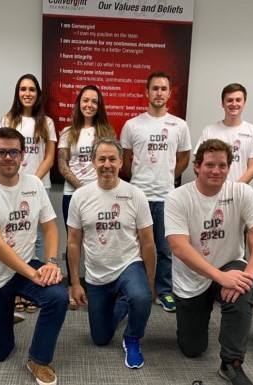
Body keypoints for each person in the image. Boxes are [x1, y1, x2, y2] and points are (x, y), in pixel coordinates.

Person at [165, 139, 253, 385]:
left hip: (229, 264)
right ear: (196, 166)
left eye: (222, 165)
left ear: (229, 167)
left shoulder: (241, 192)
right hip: (192, 276)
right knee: (192, 348)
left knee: (242, 289)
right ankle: (194, 322)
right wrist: (219, 277)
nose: (216, 171)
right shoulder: (177, 197)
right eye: (210, 165)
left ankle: (231, 363)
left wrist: (250, 274)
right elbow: (178, 246)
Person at [0, 128, 68, 385]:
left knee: (57, 296)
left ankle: (38, 359)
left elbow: (50, 226)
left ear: (23, 154)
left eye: (14, 151)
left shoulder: (33, 184)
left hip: (24, 266)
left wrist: (51, 263)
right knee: (0, 353)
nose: (8, 157)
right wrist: (34, 274)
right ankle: (2, 313)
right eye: (1, 152)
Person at [67, 138, 155, 369]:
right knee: (100, 339)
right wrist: (75, 284)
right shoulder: (81, 196)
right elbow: (73, 243)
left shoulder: (135, 194)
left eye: (112, 159)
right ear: (93, 163)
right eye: (102, 159)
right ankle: (123, 302)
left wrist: (150, 282)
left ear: (121, 162)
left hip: (129, 264)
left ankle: (132, 338)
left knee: (141, 297)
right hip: (97, 274)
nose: (107, 164)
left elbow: (147, 242)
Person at [121, 71, 192, 313]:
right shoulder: (132, 125)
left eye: (163, 88)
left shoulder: (179, 125)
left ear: (169, 93)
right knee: (135, 247)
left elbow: (184, 157)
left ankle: (163, 291)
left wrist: (167, 176)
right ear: (147, 92)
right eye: (155, 88)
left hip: (166, 197)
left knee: (164, 248)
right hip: (138, 195)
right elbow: (126, 160)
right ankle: (138, 289)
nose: (159, 92)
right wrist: (141, 179)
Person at [58, 85, 116, 310]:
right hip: (73, 195)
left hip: (102, 195)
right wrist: (83, 189)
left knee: (100, 241)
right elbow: (62, 165)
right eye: (85, 100)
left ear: (99, 105)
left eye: (94, 101)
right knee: (74, 243)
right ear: (78, 104)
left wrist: (94, 190)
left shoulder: (107, 132)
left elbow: (111, 162)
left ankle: (100, 287)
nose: (89, 105)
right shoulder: (67, 132)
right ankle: (73, 285)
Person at [3, 74, 57, 314]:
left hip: (38, 185)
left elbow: (49, 157)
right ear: (17, 92)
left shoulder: (46, 122)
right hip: (12, 187)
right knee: (15, 238)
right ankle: (16, 292)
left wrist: (33, 181)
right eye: (23, 89)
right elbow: (2, 152)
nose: (27, 93)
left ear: (38, 94)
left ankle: (34, 287)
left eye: (32, 89)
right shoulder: (7, 119)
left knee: (38, 238)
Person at [193, 83, 253, 184]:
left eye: (238, 100)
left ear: (244, 103)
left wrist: (235, 189)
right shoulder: (209, 131)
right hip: (211, 190)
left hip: (239, 191)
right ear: (222, 103)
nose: (234, 104)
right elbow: (199, 163)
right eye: (229, 100)